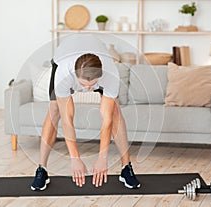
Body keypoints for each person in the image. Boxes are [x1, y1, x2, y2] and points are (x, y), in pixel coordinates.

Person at [31, 34, 140, 191]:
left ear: (99, 77)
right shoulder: (63, 73)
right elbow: (67, 119)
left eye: (93, 85)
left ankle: (126, 168)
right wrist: (75, 158)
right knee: (55, 110)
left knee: (115, 112)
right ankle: (42, 169)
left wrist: (103, 157)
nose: (88, 89)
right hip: (64, 55)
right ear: (75, 76)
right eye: (83, 85)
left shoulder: (110, 74)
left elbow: (107, 119)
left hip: (98, 58)